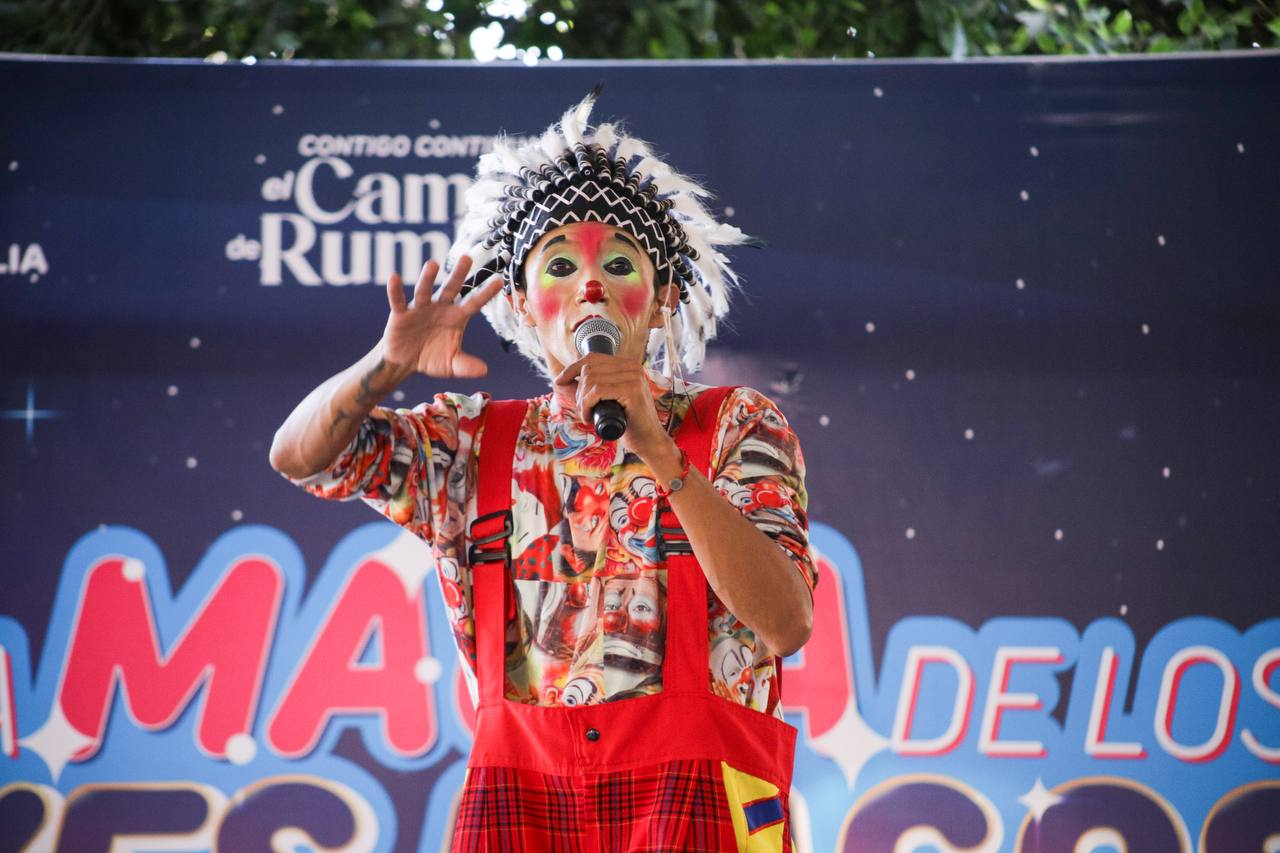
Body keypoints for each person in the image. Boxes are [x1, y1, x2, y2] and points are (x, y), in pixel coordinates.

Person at [270, 90, 815, 852]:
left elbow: (787, 623)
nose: (590, 284)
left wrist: (660, 449)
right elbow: (297, 456)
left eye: (619, 262)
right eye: (559, 263)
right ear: (524, 304)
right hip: (518, 808)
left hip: (702, 805)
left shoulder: (734, 423)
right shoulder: (470, 442)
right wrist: (384, 366)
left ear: (659, 301)